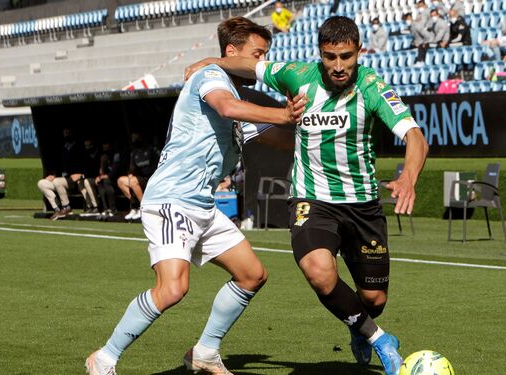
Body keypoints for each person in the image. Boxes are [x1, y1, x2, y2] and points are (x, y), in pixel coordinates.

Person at [186, 16, 429, 375]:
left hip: (362, 205)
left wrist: (409, 177)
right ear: (320, 54)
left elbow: (415, 137)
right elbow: (251, 65)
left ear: (359, 51)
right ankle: (379, 338)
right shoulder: (298, 74)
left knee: (374, 300)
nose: (339, 66)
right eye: (330, 57)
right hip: (311, 198)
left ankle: (362, 326)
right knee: (318, 271)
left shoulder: (373, 87)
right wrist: (213, 61)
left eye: (346, 56)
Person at [85, 17, 306, 375]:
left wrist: (313, 125)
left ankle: (204, 352)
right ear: (231, 52)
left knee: (252, 274)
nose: (262, 62)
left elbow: (275, 137)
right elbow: (226, 108)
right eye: (257, 54)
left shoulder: (237, 94)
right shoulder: (212, 78)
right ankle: (105, 358)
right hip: (172, 199)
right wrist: (283, 113)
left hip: (201, 204)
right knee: (172, 289)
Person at [36, 127, 87, 220]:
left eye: (68, 133)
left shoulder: (79, 147)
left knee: (57, 182)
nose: (66, 135)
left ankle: (67, 207)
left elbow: (85, 163)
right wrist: (53, 175)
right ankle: (57, 208)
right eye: (65, 133)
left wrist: (81, 173)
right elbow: (60, 166)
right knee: (41, 183)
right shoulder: (63, 147)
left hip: (74, 180)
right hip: (62, 178)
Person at [117, 132, 157, 221]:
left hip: (151, 178)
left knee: (133, 181)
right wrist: (130, 175)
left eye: (136, 137)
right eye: (133, 137)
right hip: (139, 178)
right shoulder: (134, 152)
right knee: (121, 180)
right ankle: (134, 207)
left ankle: (144, 208)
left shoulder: (150, 150)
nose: (134, 139)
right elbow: (132, 168)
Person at [96, 141, 125, 218]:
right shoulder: (105, 156)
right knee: (100, 182)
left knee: (106, 181)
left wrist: (103, 177)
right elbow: (101, 173)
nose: (105, 147)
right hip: (108, 178)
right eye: (103, 145)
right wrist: (102, 163)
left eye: (106, 145)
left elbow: (115, 172)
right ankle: (106, 208)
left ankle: (113, 208)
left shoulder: (117, 155)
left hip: (118, 178)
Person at [80, 138, 101, 216]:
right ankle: (90, 206)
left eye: (89, 145)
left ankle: (96, 207)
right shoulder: (86, 155)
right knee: (80, 183)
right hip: (90, 178)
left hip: (98, 178)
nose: (88, 147)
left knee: (86, 181)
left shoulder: (99, 154)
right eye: (86, 146)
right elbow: (85, 169)